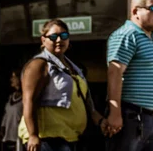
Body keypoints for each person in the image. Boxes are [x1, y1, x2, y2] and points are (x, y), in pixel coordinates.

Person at [18, 19, 106, 151]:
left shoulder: (74, 69)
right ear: (43, 40)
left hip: (70, 138)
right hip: (47, 139)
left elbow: (87, 104)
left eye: (64, 36)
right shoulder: (39, 64)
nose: (59, 40)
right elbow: (28, 100)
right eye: (53, 37)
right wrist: (33, 135)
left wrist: (101, 121)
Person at [105, 0, 153, 151]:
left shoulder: (149, 38)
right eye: (152, 8)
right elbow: (115, 72)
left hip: (151, 118)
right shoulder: (127, 34)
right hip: (131, 117)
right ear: (135, 11)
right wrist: (115, 113)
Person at [0, 69, 23, 151]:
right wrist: (2, 127)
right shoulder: (11, 97)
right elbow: (6, 114)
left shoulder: (25, 98)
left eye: (14, 77)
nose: (11, 79)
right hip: (7, 136)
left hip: (18, 137)